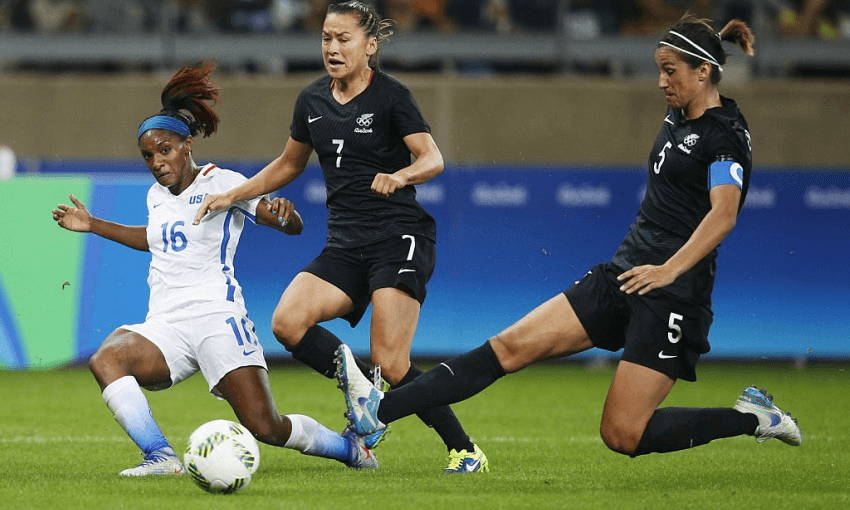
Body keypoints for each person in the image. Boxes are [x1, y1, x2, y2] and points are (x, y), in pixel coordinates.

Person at [337, 15, 804, 459]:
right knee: (508, 347)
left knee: (623, 434)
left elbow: (723, 216)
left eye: (670, 72)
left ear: (704, 72)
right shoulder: (680, 113)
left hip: (673, 294)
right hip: (621, 276)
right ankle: (376, 414)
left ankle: (752, 418)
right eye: (659, 71)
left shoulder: (724, 136)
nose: (661, 82)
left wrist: (669, 269)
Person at [193, 1, 487, 473]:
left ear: (369, 46)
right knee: (288, 322)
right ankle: (357, 383)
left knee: (393, 362)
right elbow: (289, 164)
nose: (332, 47)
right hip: (347, 244)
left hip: (399, 236)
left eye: (343, 39)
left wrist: (402, 176)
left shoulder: (392, 96)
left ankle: (465, 449)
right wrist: (234, 194)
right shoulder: (311, 101)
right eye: (326, 38)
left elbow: (432, 159)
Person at [52, 61, 377, 476]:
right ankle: (161, 457)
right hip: (167, 322)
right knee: (107, 358)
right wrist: (93, 225)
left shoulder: (222, 182)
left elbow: (287, 225)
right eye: (148, 155)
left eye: (164, 150)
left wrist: (284, 214)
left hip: (216, 318)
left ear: (187, 145)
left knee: (266, 426)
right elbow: (154, 239)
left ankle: (351, 451)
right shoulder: (157, 195)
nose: (156, 161)